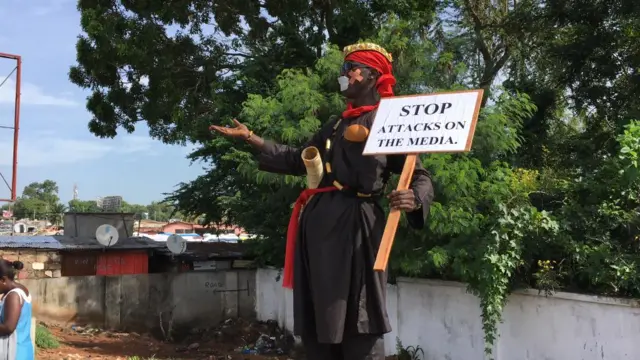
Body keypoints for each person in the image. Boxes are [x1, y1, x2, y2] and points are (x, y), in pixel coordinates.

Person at [211, 42, 434, 360]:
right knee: (317, 321)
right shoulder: (334, 125)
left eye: (349, 70)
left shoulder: (390, 121)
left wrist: (413, 196)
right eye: (342, 70)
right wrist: (252, 138)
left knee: (358, 316)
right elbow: (296, 159)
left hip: (357, 229)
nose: (342, 77)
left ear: (371, 77)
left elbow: (420, 175)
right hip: (316, 232)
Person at [0, 260, 33, 360]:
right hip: (22, 348)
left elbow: (8, 327)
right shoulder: (22, 289)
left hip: (13, 352)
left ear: (3, 280)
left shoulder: (13, 295)